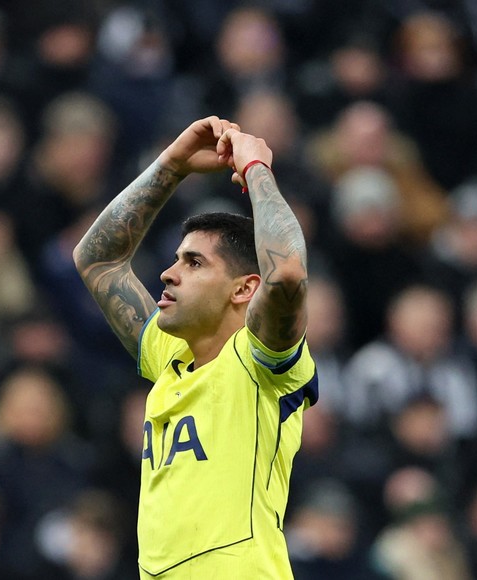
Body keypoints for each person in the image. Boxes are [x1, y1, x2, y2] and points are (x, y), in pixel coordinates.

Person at [73, 116, 317, 578]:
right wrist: (172, 163)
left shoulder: (258, 362)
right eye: (175, 258)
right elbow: (96, 259)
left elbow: (286, 274)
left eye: (194, 262)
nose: (168, 273)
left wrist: (256, 170)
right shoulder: (171, 356)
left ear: (244, 289)